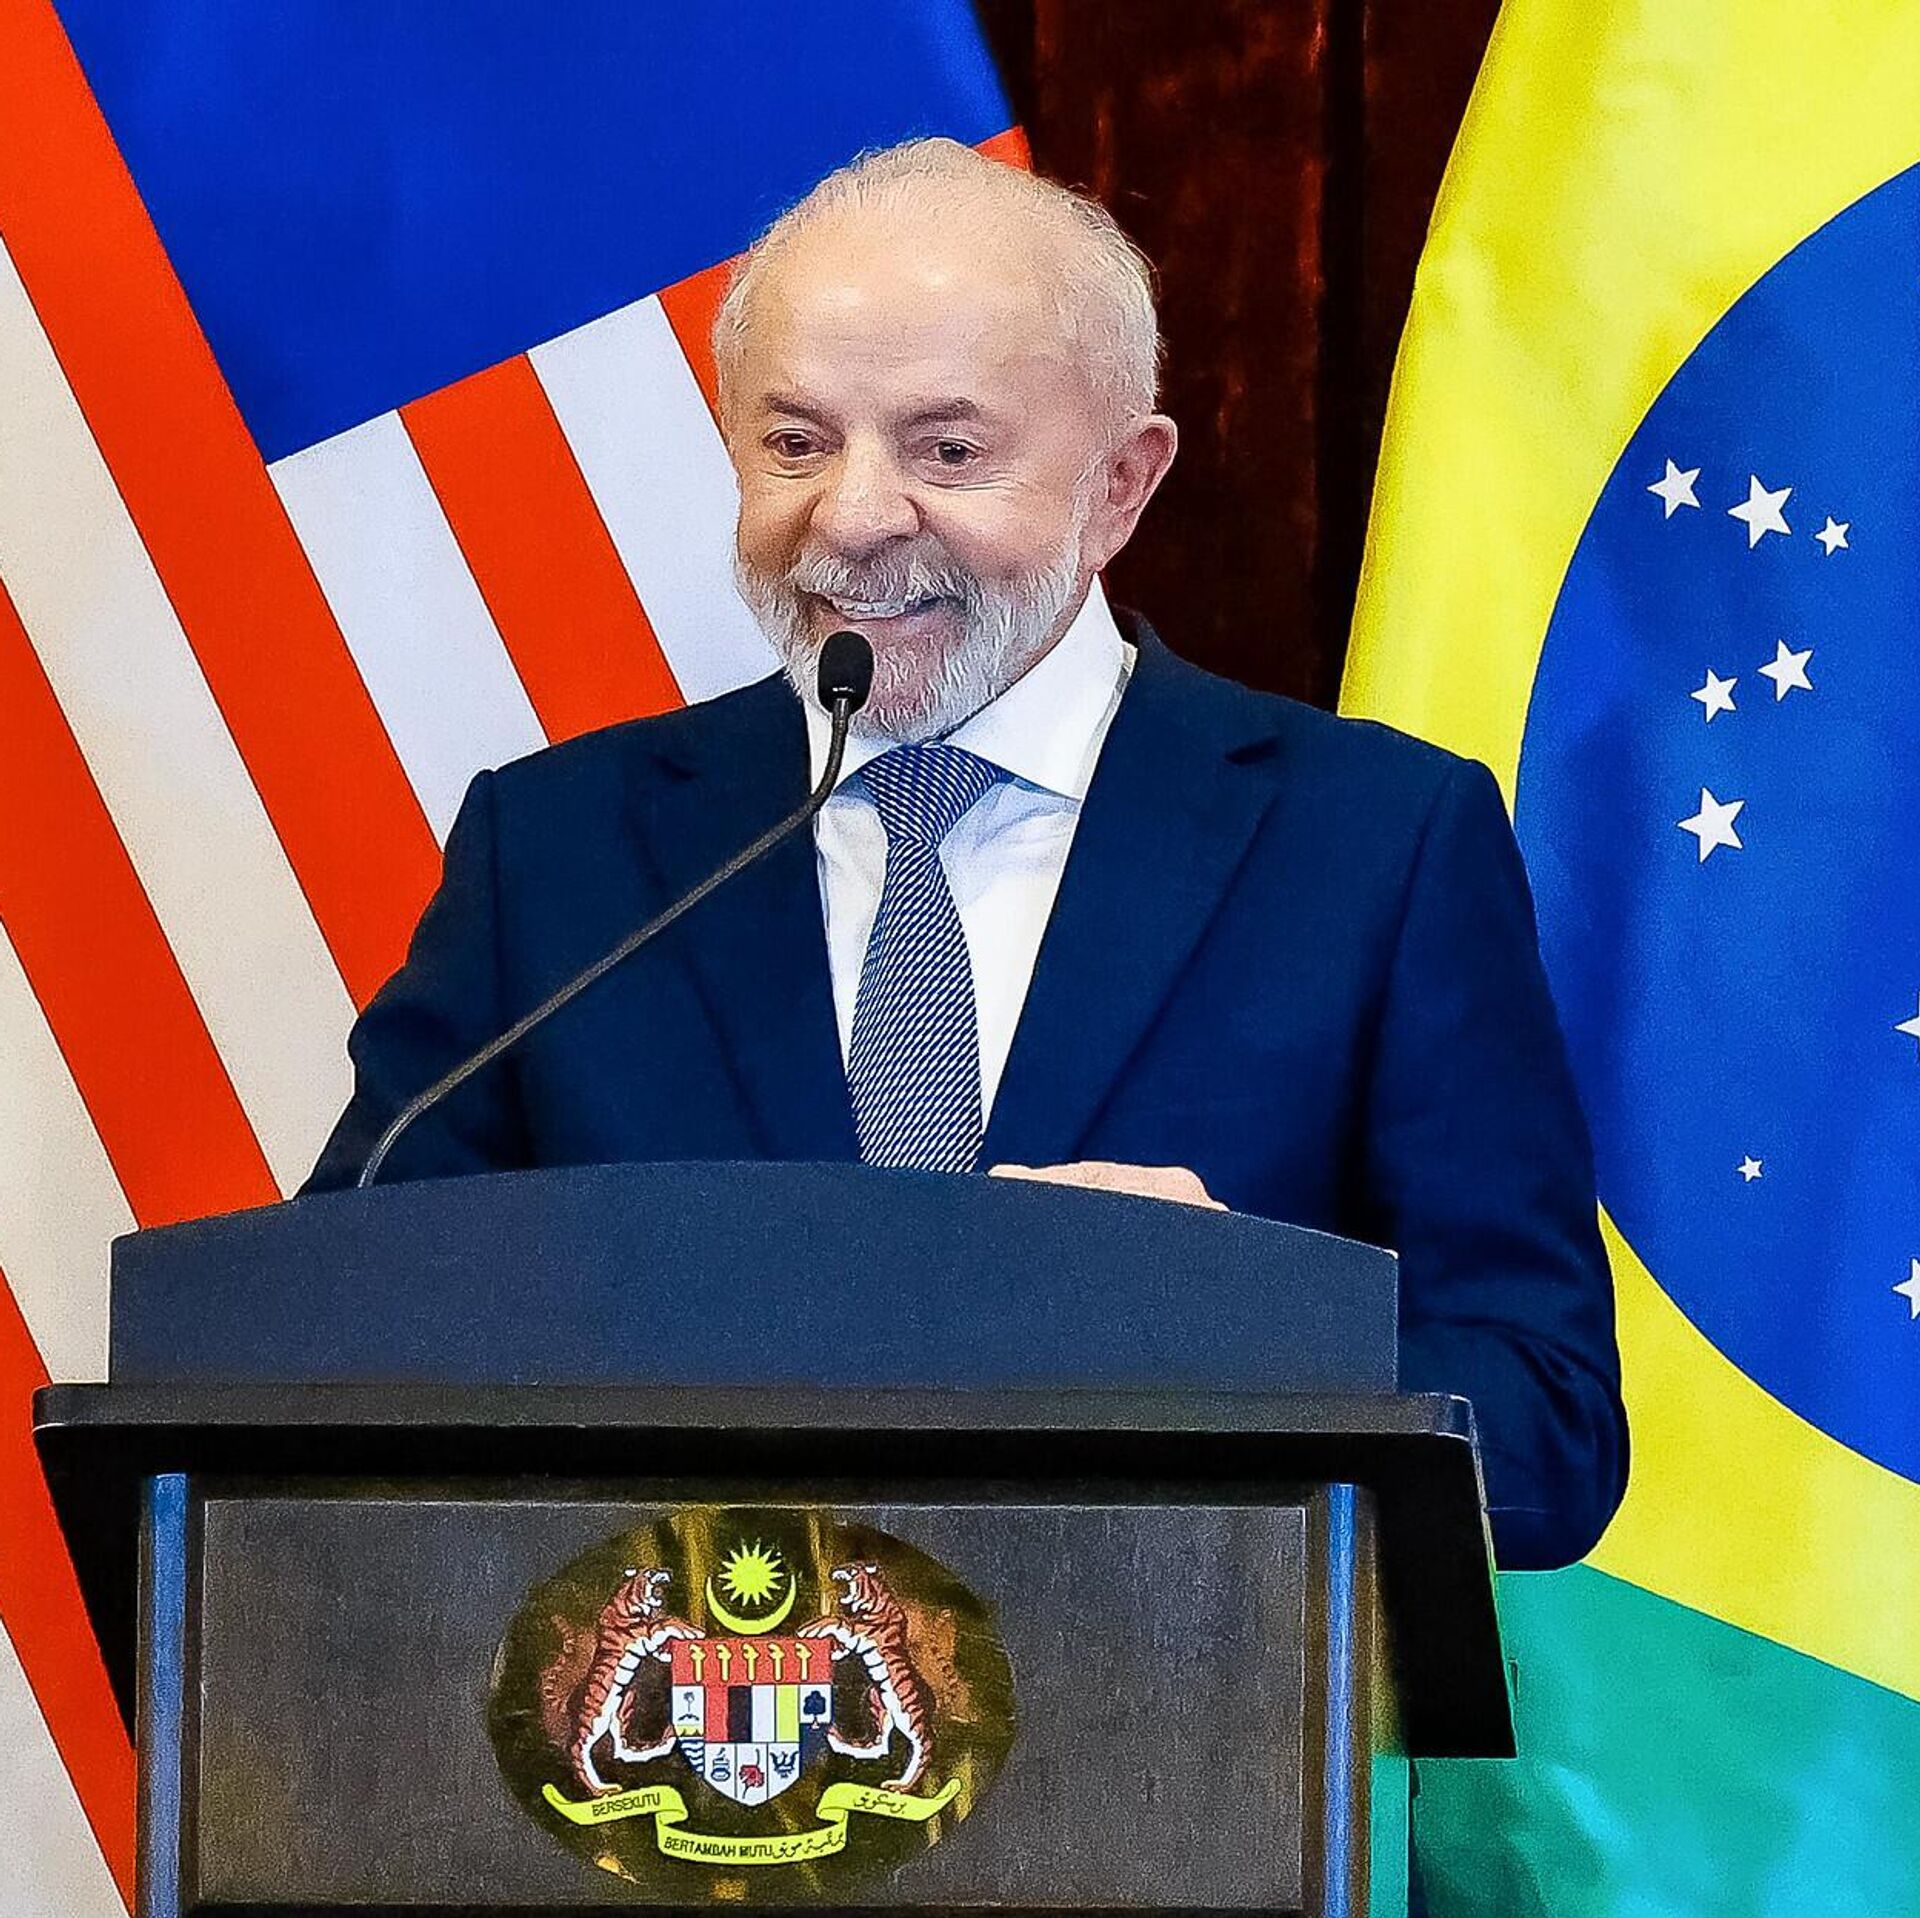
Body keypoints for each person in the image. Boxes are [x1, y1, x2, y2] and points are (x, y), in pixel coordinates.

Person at [305, 138, 1626, 1573]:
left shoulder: (1377, 842)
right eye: (796, 443)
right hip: (671, 1696)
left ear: (1120, 485)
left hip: (1165, 1697)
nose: (855, 516)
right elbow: (329, 1334)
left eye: (947, 450)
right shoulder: (561, 849)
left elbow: (1549, 1431)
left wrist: (1236, 1332)